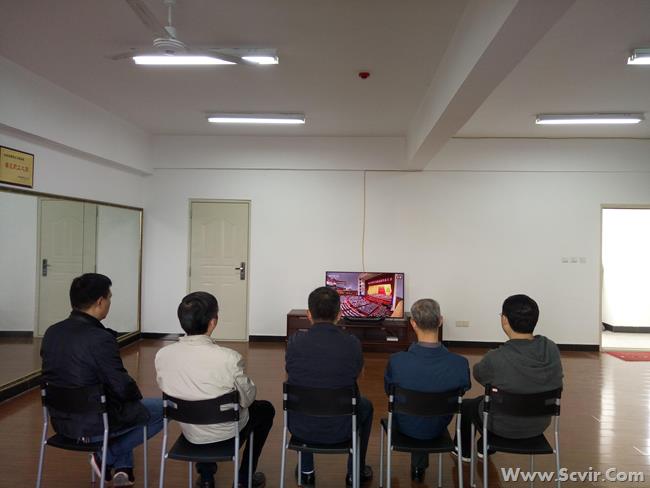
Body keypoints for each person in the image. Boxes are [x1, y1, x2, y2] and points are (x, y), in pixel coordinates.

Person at [41, 273, 163, 487]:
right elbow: (122, 387)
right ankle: (107, 456)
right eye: (109, 297)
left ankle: (122, 467)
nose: (110, 302)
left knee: (115, 402)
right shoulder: (100, 338)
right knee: (163, 408)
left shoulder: (52, 332)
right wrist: (134, 396)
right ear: (100, 301)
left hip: (60, 421)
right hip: (93, 423)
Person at [155, 292, 275, 488]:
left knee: (198, 403)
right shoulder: (228, 358)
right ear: (213, 322)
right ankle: (244, 479)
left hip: (190, 429)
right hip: (225, 431)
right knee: (265, 409)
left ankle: (206, 477)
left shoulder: (163, 355)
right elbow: (248, 399)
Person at [285, 286, 374, 488]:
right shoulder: (352, 343)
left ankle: (306, 472)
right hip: (342, 426)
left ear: (309, 314)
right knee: (366, 406)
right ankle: (354, 472)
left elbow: (291, 371)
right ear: (339, 314)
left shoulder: (295, 342)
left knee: (304, 395)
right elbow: (355, 374)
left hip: (301, 426)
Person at [458, 294, 564, 459]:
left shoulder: (495, 357)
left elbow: (479, 374)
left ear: (504, 320)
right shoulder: (551, 348)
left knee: (467, 405)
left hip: (502, 425)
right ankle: (484, 447)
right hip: (538, 423)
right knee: (494, 400)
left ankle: (464, 453)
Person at [384, 298, 470, 481]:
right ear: (440, 321)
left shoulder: (397, 361)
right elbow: (463, 389)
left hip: (405, 426)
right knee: (427, 404)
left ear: (413, 323)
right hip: (439, 427)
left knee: (415, 406)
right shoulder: (460, 364)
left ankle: (418, 467)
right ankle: (419, 467)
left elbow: (389, 391)